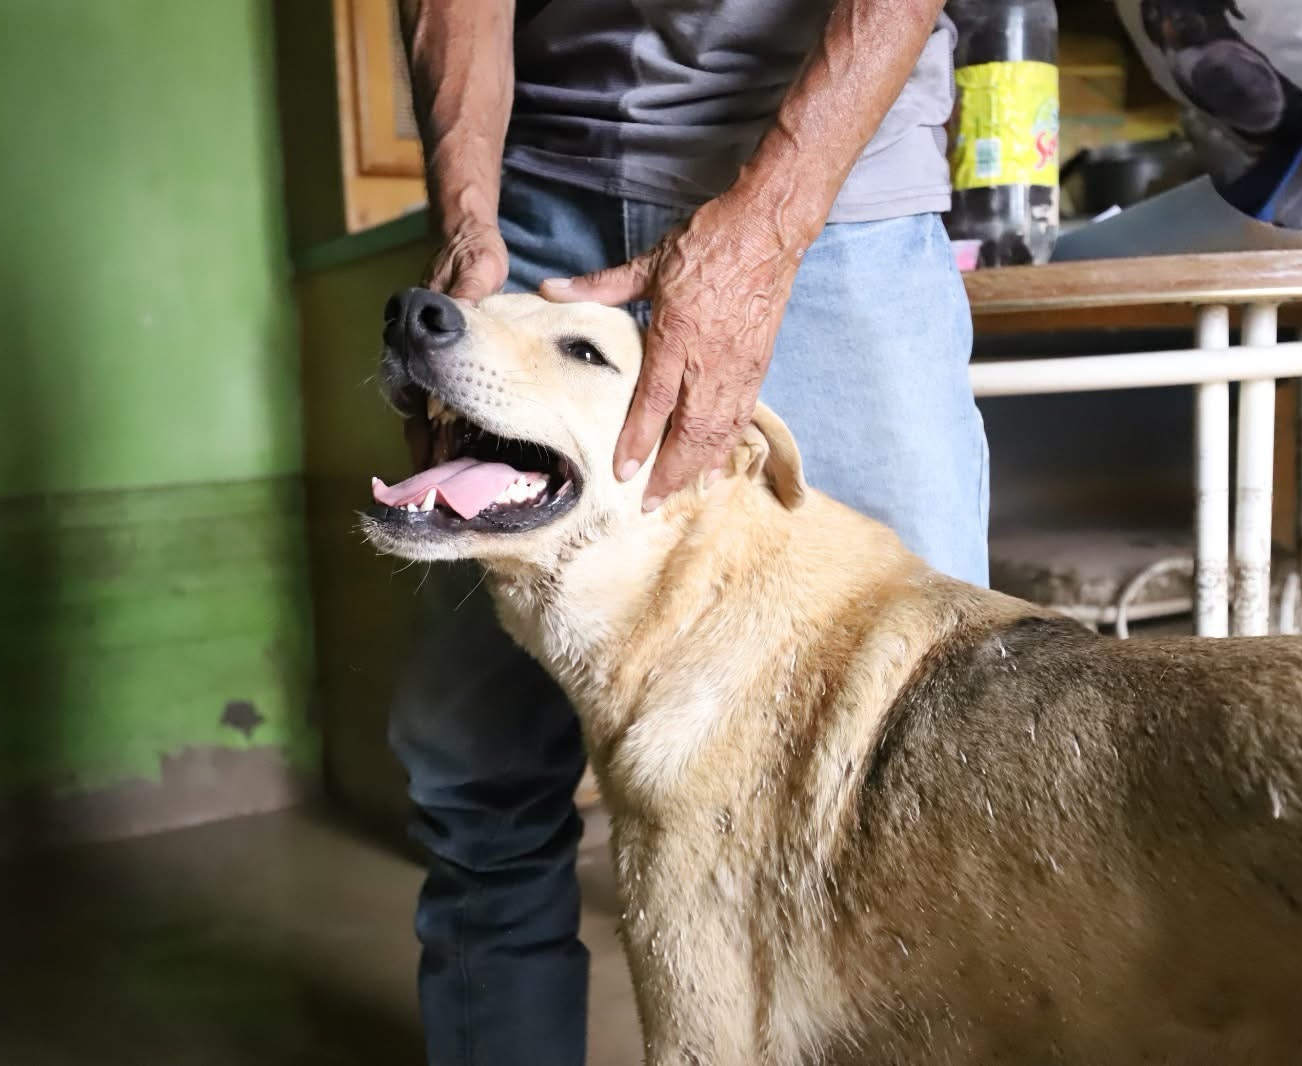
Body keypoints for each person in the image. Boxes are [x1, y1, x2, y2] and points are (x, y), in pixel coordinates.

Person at [389, 1, 989, 1061]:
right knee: (477, 775)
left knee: (934, 767)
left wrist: (769, 222)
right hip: (533, 195)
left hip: (838, 192)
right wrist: (469, 208)